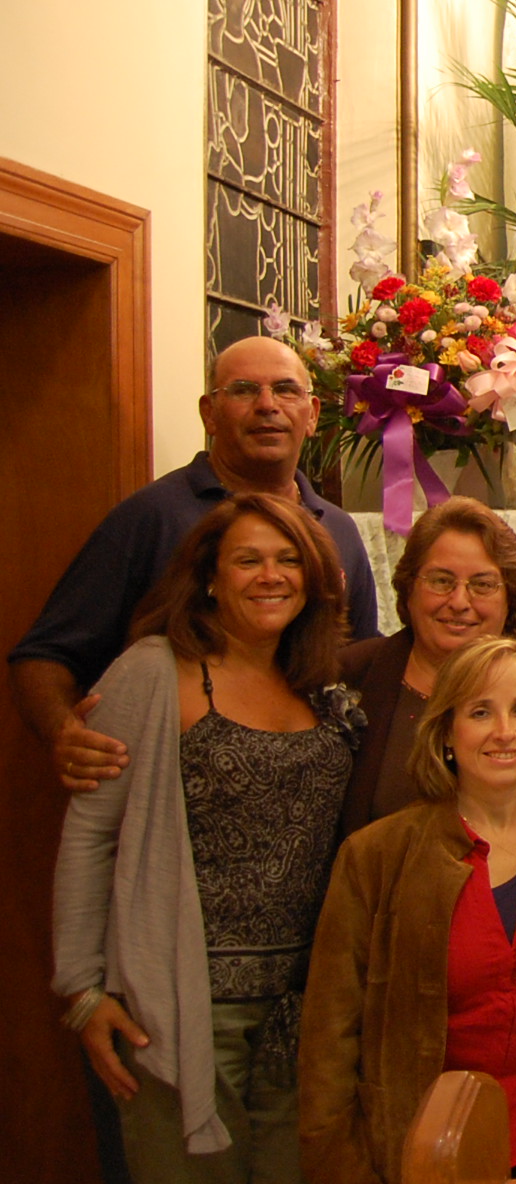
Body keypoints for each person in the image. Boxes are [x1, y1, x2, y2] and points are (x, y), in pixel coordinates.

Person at [52, 494, 359, 1181]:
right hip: (181, 1002)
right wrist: (82, 991)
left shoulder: (320, 681)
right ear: (210, 578)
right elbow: (91, 835)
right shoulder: (154, 672)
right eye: (247, 560)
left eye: (288, 560)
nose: (270, 576)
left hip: (301, 1013)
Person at [300, 636, 516, 1181]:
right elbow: (329, 1042)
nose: (505, 731)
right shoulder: (377, 856)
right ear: (446, 730)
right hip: (422, 1147)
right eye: (480, 712)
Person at [12, 335, 377, 795]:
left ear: (312, 415)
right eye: (244, 390)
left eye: (286, 389)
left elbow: (360, 665)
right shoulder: (151, 517)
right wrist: (64, 733)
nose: (268, 405)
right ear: (209, 414)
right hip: (175, 804)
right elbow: (45, 656)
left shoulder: (339, 530)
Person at [339, 497, 516, 833]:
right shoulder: (351, 677)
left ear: (511, 595)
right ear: (409, 588)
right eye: (441, 581)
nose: (460, 602)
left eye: (483, 585)